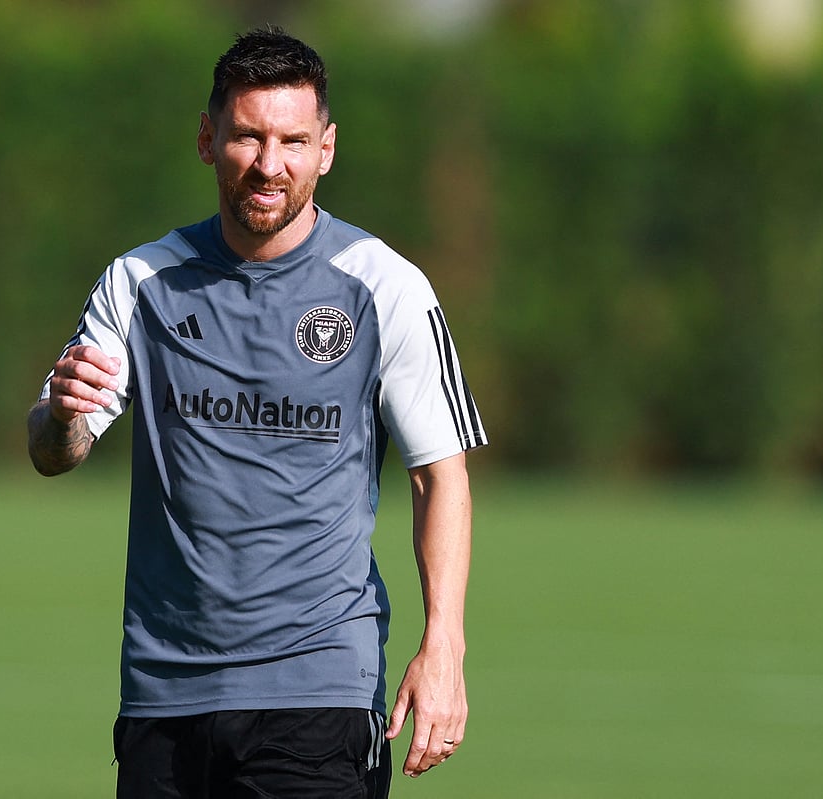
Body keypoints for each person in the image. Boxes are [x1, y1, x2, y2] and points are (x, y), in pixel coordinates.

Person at [27, 26, 487, 798]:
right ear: (208, 139)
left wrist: (444, 644)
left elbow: (440, 474)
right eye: (247, 136)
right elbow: (52, 447)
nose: (270, 164)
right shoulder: (141, 281)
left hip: (320, 690)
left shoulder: (385, 287)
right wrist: (64, 415)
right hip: (165, 696)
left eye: (293, 140)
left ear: (327, 148)